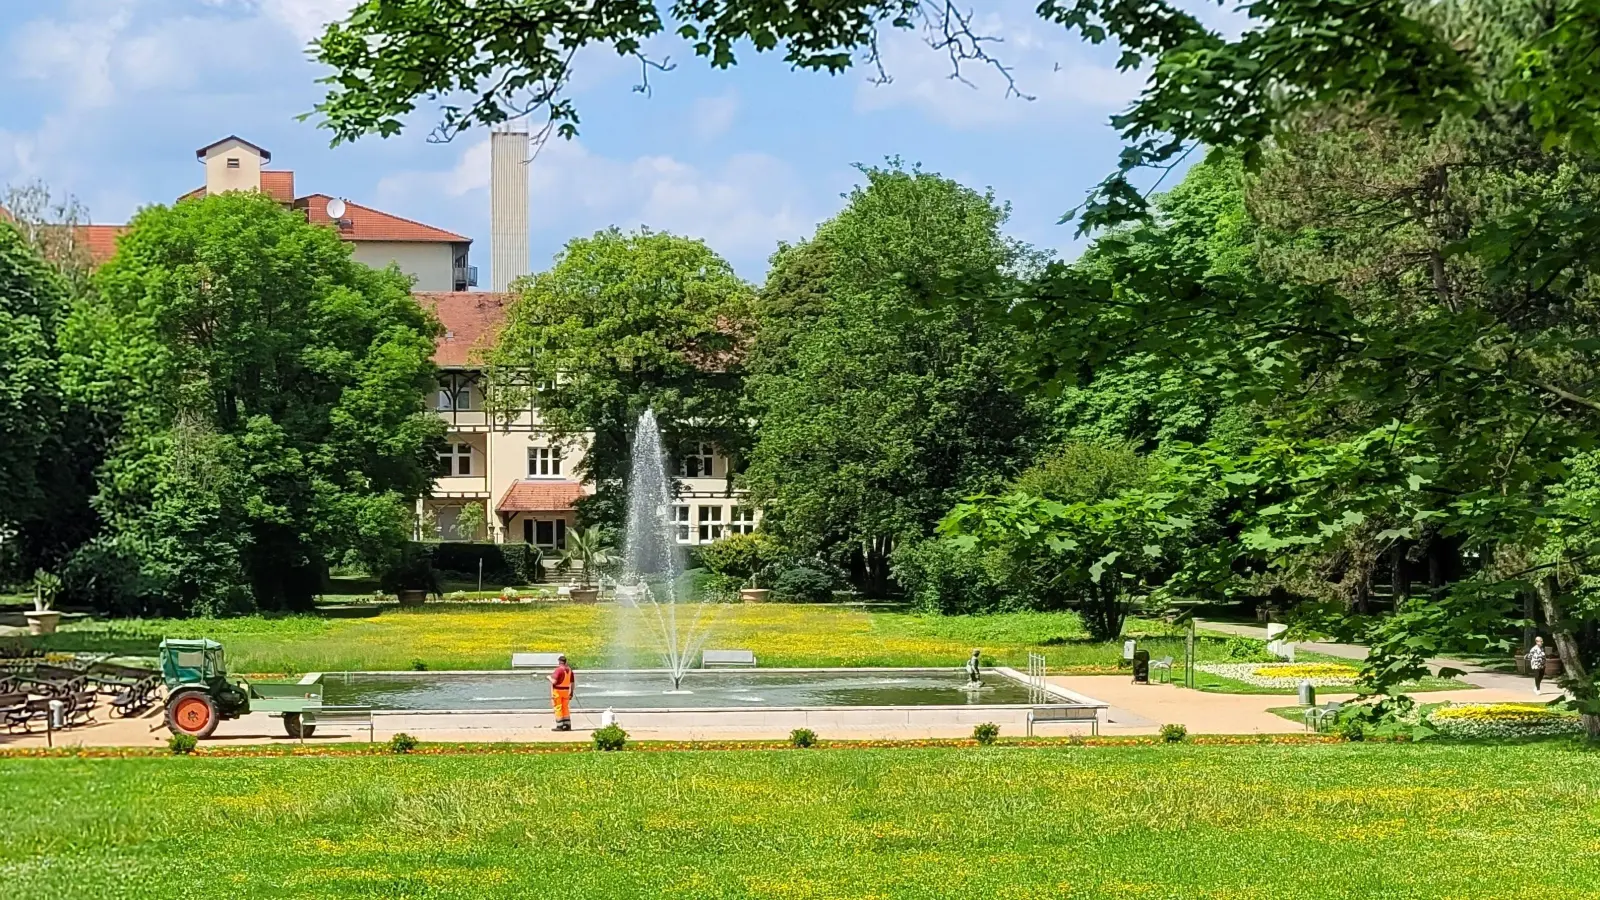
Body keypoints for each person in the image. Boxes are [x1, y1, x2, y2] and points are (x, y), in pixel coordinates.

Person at [549, 654, 574, 731]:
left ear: (559, 662)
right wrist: (571, 693)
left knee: (558, 707)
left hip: (558, 691)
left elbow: (554, 681)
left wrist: (549, 677)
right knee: (565, 707)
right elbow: (572, 683)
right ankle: (567, 725)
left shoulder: (558, 670)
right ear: (565, 662)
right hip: (566, 691)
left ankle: (559, 725)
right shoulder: (570, 670)